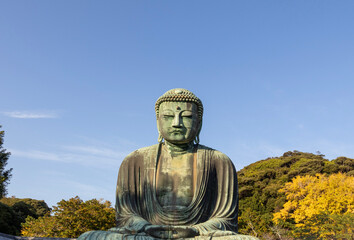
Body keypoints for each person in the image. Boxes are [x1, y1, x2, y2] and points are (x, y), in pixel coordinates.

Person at [78, 89, 258, 240]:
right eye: (168, 116)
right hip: (147, 235)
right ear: (158, 122)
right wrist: (146, 227)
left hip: (198, 236)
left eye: (186, 116)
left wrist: (195, 229)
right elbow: (125, 216)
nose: (177, 123)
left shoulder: (219, 161)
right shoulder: (134, 160)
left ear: (199, 123)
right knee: (88, 237)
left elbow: (225, 219)